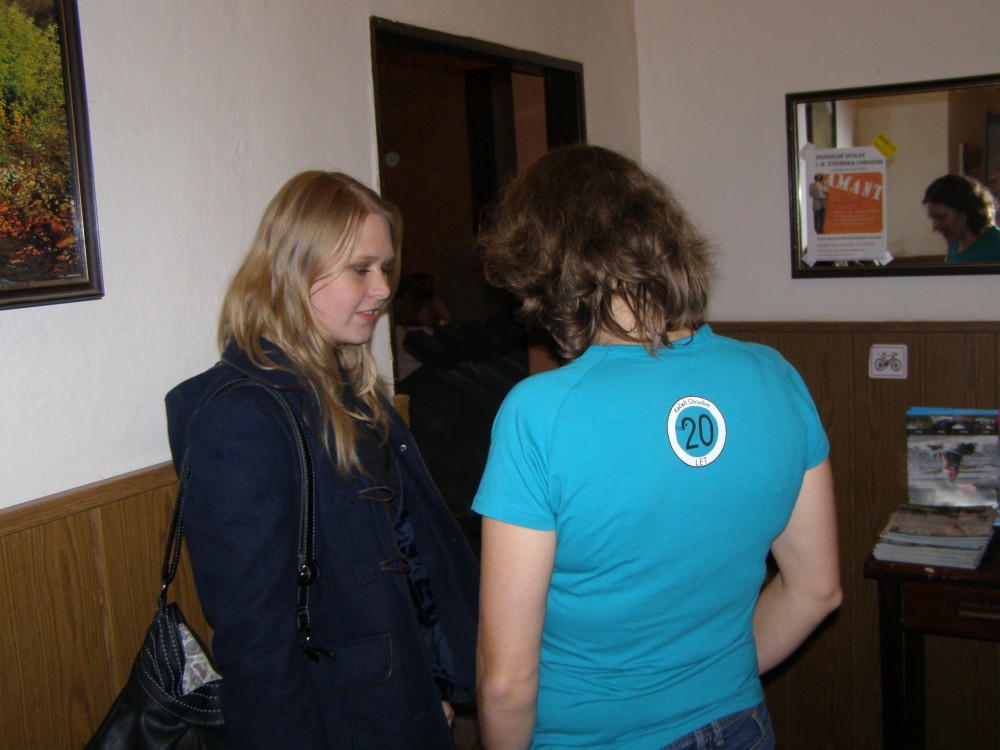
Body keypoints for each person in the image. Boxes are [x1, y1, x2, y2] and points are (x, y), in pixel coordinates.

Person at [472, 145, 842, 749]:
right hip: (739, 725)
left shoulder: (538, 413)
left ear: (544, 264)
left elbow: (505, 684)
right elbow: (817, 589)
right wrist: (707, 685)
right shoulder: (774, 376)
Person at [165, 171, 478, 749]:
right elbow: (257, 647)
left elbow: (407, 560)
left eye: (386, 267)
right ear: (295, 270)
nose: (383, 289)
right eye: (361, 269)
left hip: (399, 705)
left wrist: (429, 679)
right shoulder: (241, 418)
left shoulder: (348, 392)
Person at [922, 174, 1000, 263]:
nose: (935, 227)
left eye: (942, 217)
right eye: (933, 219)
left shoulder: (996, 244)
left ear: (965, 209)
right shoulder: (955, 246)